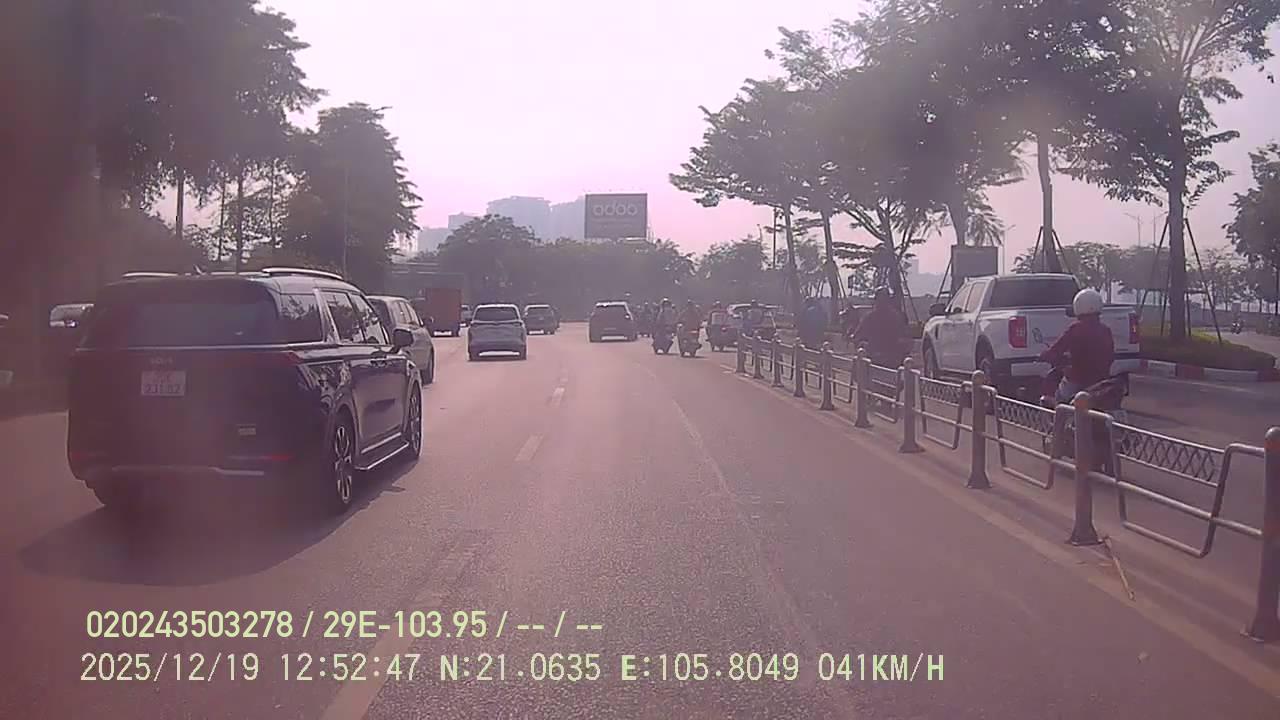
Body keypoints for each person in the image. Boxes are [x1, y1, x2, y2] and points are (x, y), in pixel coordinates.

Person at [1038, 288, 1114, 403]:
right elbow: (1111, 356)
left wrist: (1043, 355)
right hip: (1101, 380)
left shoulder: (1075, 329)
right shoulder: (1105, 330)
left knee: (1060, 399)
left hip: (1077, 379)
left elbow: (1057, 349)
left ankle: (1059, 413)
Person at [851, 287, 907, 367]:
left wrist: (855, 339)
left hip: (876, 355)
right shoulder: (897, 316)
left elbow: (857, 335)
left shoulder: (870, 317)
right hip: (892, 357)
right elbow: (904, 335)